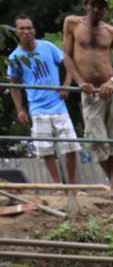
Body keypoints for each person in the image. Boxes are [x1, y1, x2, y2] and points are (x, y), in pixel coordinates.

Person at [63, 0, 113, 200]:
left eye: (101, 6)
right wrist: (80, 82)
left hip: (110, 90)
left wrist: (112, 81)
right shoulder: (72, 24)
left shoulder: (111, 32)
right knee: (96, 138)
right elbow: (67, 56)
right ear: (86, 5)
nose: (97, 9)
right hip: (90, 92)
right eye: (93, 5)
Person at [8, 14, 80, 188]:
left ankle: (72, 186)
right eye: (22, 28)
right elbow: (14, 86)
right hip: (37, 108)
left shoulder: (48, 47)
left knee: (71, 147)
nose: (26, 31)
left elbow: (69, 63)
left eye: (29, 28)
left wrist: (66, 85)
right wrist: (20, 109)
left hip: (59, 105)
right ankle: (57, 186)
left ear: (34, 30)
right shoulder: (15, 57)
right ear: (17, 32)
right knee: (46, 150)